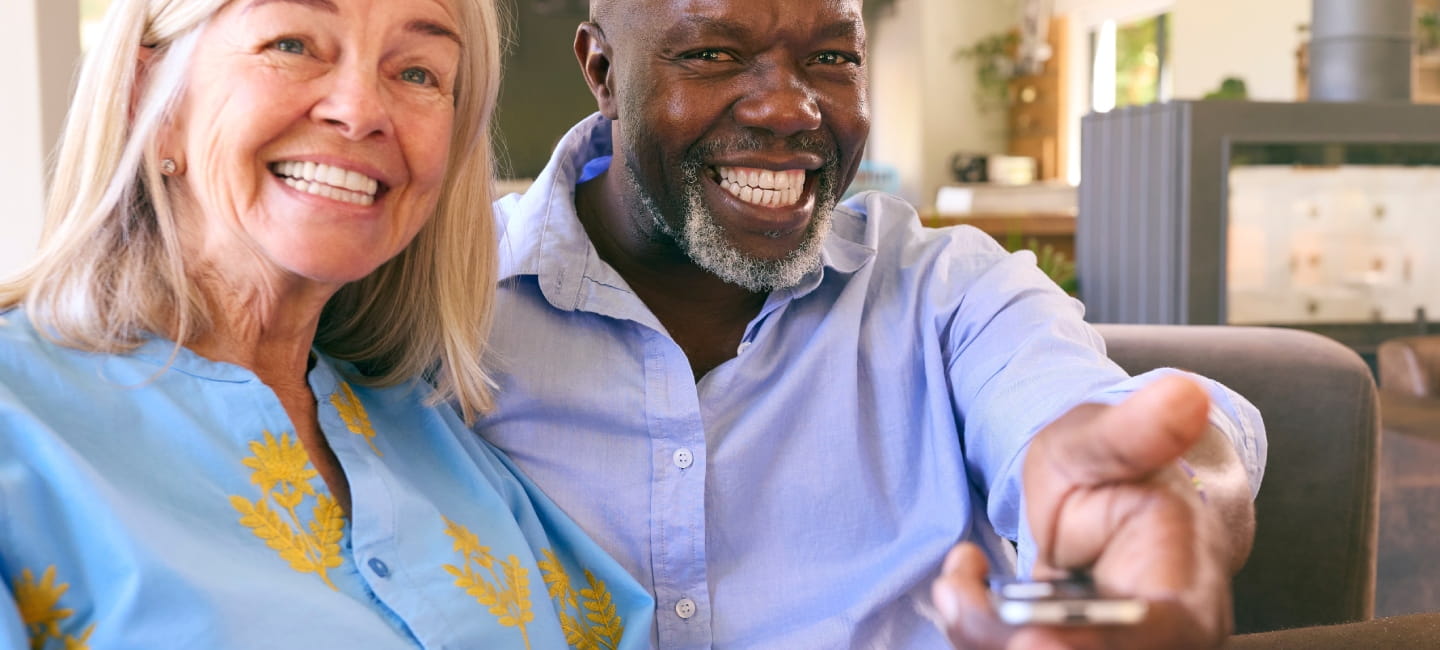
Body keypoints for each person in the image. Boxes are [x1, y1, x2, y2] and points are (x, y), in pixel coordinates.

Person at [474, 0, 1267, 647]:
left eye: (832, 58)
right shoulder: (446, 306)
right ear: (603, 72)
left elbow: (1094, 419)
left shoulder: (944, 289)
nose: (789, 108)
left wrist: (1162, 501)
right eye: (712, 53)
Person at [0, 0, 653, 647]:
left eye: (420, 72)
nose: (362, 110)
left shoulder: (444, 439)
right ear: (151, 98)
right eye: (293, 44)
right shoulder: (18, 424)